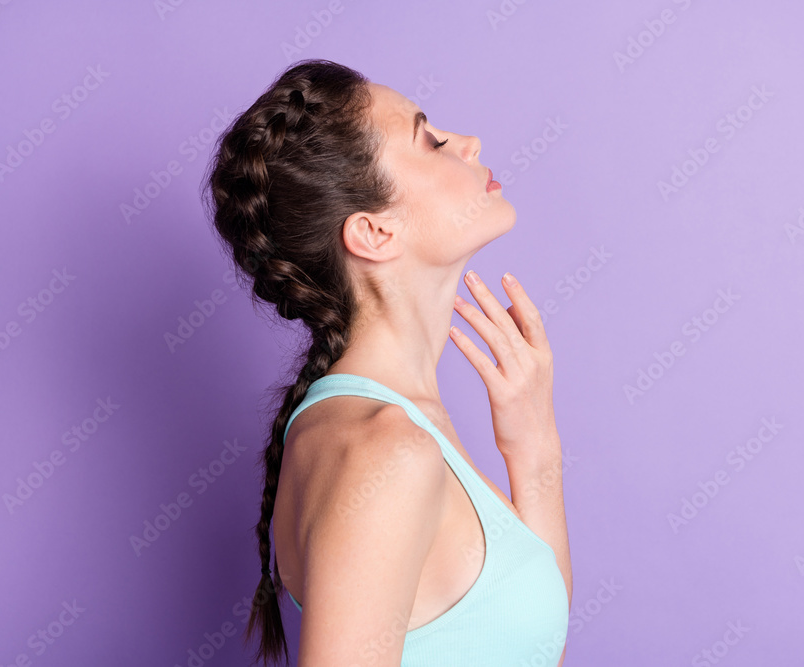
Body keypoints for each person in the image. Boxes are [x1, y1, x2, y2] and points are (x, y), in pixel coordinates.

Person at [203, 58, 572, 666]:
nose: (469, 143)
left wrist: (535, 452)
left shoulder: (391, 425)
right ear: (374, 233)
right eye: (429, 140)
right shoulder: (386, 449)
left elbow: (532, 649)